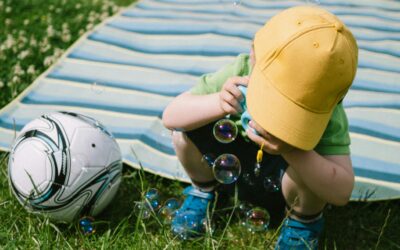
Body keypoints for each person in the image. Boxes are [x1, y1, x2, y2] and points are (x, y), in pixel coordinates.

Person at [162, 5, 358, 249]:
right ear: (253, 55)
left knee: (316, 167)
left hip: (287, 182)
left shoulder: (328, 114)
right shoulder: (239, 72)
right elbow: (171, 116)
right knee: (184, 132)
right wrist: (219, 102)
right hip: (233, 167)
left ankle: (303, 221)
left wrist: (292, 149)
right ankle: (203, 190)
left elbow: (341, 192)